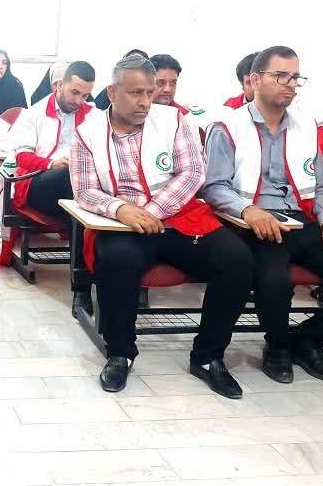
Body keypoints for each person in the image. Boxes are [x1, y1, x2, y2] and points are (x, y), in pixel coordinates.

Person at [202, 45, 323, 385]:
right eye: (281, 76)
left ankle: (307, 339)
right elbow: (214, 187)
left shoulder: (306, 127)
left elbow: (320, 187)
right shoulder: (227, 126)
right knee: (274, 282)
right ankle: (278, 346)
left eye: (296, 77)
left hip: (302, 220)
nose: (291, 85)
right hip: (254, 225)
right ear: (254, 80)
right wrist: (249, 210)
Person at [74, 54, 253, 399]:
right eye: (135, 93)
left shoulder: (174, 120)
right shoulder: (88, 133)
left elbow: (192, 173)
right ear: (112, 92)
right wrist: (121, 208)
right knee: (117, 260)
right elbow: (84, 190)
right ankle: (120, 353)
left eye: (149, 92)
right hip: (122, 225)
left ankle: (208, 356)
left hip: (179, 216)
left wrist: (154, 211)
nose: (145, 102)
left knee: (236, 259)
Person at [3, 60, 95, 217]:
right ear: (59, 85)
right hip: (37, 180)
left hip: (79, 181)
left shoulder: (93, 115)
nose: (79, 101)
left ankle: (82, 231)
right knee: (69, 174)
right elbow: (22, 157)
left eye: (85, 96)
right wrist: (52, 164)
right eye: (74, 92)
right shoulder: (34, 113)